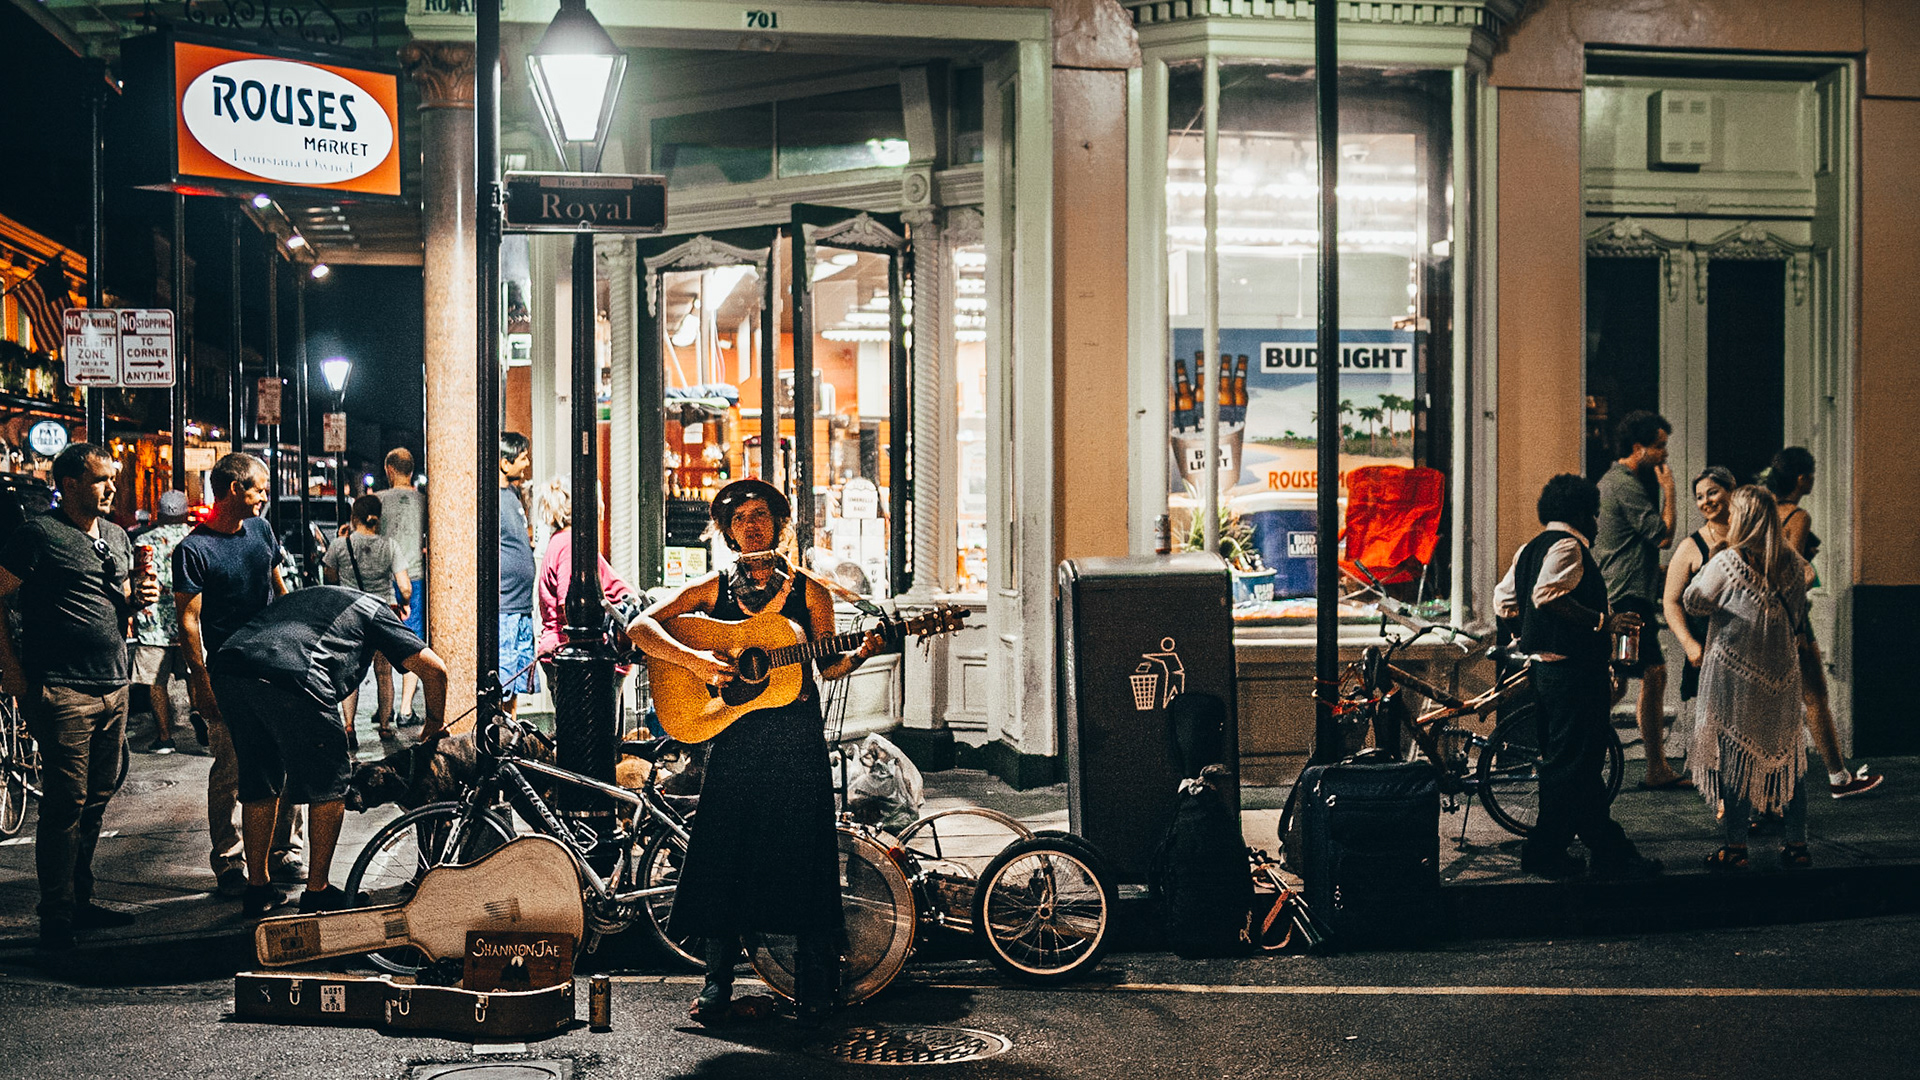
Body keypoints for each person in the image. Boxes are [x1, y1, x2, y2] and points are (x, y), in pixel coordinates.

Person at [627, 478, 885, 1025]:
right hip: (736, 737)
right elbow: (642, 628)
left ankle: (815, 983)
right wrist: (698, 663)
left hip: (795, 739)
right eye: (739, 518)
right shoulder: (713, 589)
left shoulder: (809, 592)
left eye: (761, 515)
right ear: (726, 532)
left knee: (806, 856)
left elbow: (827, 665)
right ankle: (717, 985)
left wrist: (860, 653)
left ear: (780, 525)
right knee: (724, 853)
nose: (752, 524)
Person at [0, 443, 160, 949]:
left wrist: (139, 596)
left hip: (112, 684)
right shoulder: (38, 535)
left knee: (96, 800)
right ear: (69, 484)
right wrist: (13, 675)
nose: (112, 487)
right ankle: (56, 916)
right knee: (65, 805)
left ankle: (81, 899)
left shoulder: (114, 535)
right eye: (100, 479)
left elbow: (118, 605)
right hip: (63, 688)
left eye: (112, 478)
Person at [209, 585, 450, 913]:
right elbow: (435, 670)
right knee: (331, 782)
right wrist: (434, 725)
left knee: (259, 778)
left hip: (231, 670)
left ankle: (258, 890)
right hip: (294, 673)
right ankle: (317, 891)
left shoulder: (317, 596)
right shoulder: (377, 612)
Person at [1495, 473, 1663, 882]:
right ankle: (1546, 852)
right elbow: (1547, 595)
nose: (1598, 523)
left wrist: (1531, 634)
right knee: (1570, 766)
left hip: (1545, 671)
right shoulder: (1569, 546)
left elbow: (1504, 602)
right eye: (1596, 514)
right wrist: (1604, 622)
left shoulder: (1528, 548)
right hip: (1574, 673)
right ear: (1583, 513)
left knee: (1579, 766)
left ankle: (1610, 851)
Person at [175, 453, 302, 909]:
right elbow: (188, 621)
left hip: (275, 665)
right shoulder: (194, 549)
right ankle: (230, 862)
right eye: (259, 488)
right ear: (233, 488)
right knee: (231, 768)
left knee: (285, 761)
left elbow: (277, 586)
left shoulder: (262, 531)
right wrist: (201, 681)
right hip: (229, 673)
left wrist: (297, 637)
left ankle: (282, 850)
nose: (266, 495)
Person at [1684, 486, 1816, 870]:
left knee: (1735, 756)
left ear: (1741, 518)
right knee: (1789, 754)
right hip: (1780, 673)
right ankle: (1797, 843)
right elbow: (1797, 609)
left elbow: (1694, 601)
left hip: (1736, 674)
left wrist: (1710, 559)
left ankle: (1736, 847)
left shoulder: (1726, 563)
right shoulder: (1792, 564)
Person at [1765, 447, 1883, 799]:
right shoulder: (1797, 516)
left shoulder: (1765, 511)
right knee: (1815, 695)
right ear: (1801, 478)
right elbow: (1792, 569)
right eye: (1811, 474)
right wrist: (1799, 627)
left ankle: (1764, 783)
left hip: (1763, 613)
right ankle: (1838, 777)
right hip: (1791, 616)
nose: (1813, 479)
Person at [1592, 410, 1688, 790]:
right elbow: (1662, 536)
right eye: (1659, 446)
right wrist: (1671, 491)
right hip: (1627, 598)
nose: (1664, 455)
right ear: (1639, 448)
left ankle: (1650, 766)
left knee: (1618, 681)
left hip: (1627, 593)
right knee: (1651, 673)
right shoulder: (1624, 484)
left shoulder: (1617, 482)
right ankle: (1655, 768)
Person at [1661, 466, 1735, 775]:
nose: (1706, 501)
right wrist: (1690, 644)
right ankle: (1723, 797)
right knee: (1716, 725)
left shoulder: (1750, 536)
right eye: (1699, 497)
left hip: (1749, 647)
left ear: (1732, 491)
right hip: (1709, 649)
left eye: (1713, 492)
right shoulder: (1691, 546)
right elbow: (1671, 601)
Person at [323, 494, 410, 747]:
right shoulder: (390, 545)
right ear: (378, 519)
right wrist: (403, 604)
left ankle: (348, 727)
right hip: (384, 612)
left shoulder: (340, 545)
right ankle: (384, 726)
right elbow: (405, 588)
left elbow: (330, 579)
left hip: (351, 612)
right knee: (385, 673)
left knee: (351, 671)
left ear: (353, 518)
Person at [131, 490, 195, 754]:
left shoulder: (144, 542)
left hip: (152, 624)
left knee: (156, 683)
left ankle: (165, 738)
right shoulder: (196, 538)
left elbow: (138, 579)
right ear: (185, 511)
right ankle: (202, 721)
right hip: (189, 621)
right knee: (195, 675)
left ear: (158, 513)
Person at [374, 448, 427, 728]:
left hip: (384, 579)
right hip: (415, 577)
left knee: (381, 645)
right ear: (411, 469)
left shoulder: (377, 501)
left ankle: (385, 707)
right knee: (412, 643)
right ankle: (406, 709)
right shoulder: (424, 501)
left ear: (389, 470)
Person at [497, 433, 539, 719]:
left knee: (517, 679)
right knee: (505, 678)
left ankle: (510, 727)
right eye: (522, 457)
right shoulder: (492, 499)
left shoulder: (512, 495)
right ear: (504, 462)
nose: (526, 462)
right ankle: (501, 732)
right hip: (506, 603)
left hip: (520, 603)